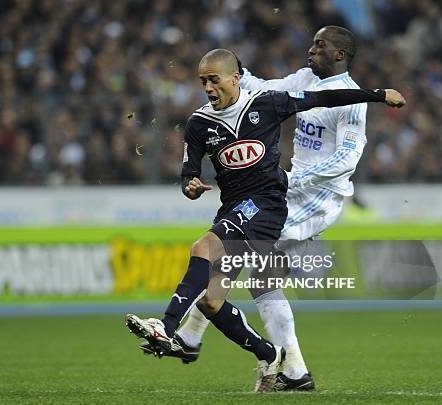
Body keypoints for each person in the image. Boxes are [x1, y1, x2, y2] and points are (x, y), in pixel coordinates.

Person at [125, 48, 405, 393]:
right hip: (233, 209)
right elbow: (188, 174)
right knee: (211, 301)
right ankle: (269, 353)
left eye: (214, 79)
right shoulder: (199, 124)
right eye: (203, 82)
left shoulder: (268, 103)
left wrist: (377, 95)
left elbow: (326, 98)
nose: (208, 87)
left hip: (267, 204)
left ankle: (167, 327)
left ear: (234, 77)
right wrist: (192, 186)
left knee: (204, 247)